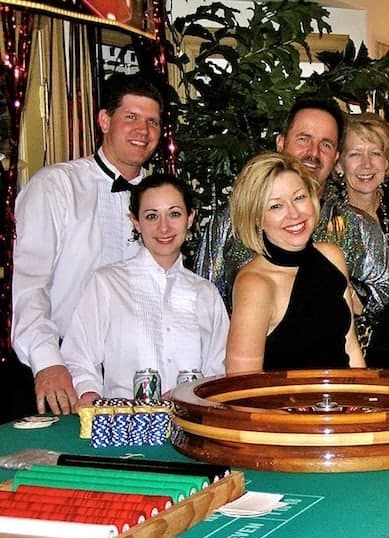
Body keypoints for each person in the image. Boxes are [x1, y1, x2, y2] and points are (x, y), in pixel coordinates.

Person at [12, 73, 163, 415]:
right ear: (105, 120)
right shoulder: (55, 186)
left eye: (152, 121)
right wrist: (47, 362)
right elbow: (29, 284)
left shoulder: (162, 202)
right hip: (61, 370)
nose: (143, 130)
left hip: (135, 377)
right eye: (132, 117)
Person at [60, 174, 228, 401]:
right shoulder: (107, 283)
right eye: (151, 216)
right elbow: (78, 357)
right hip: (123, 428)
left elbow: (220, 370)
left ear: (190, 218)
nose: (164, 227)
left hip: (192, 428)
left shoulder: (206, 293)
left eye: (174, 214)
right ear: (135, 222)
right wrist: (89, 395)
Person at [225, 152, 364, 372]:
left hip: (343, 401)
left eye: (299, 197)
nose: (294, 213)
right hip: (282, 405)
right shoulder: (255, 284)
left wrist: (364, 402)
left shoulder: (332, 256)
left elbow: (351, 347)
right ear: (256, 218)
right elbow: (242, 385)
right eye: (275, 206)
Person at [314, 112, 389, 367]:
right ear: (339, 165)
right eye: (355, 154)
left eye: (375, 153)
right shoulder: (323, 219)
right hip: (347, 349)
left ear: (387, 162)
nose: (366, 165)